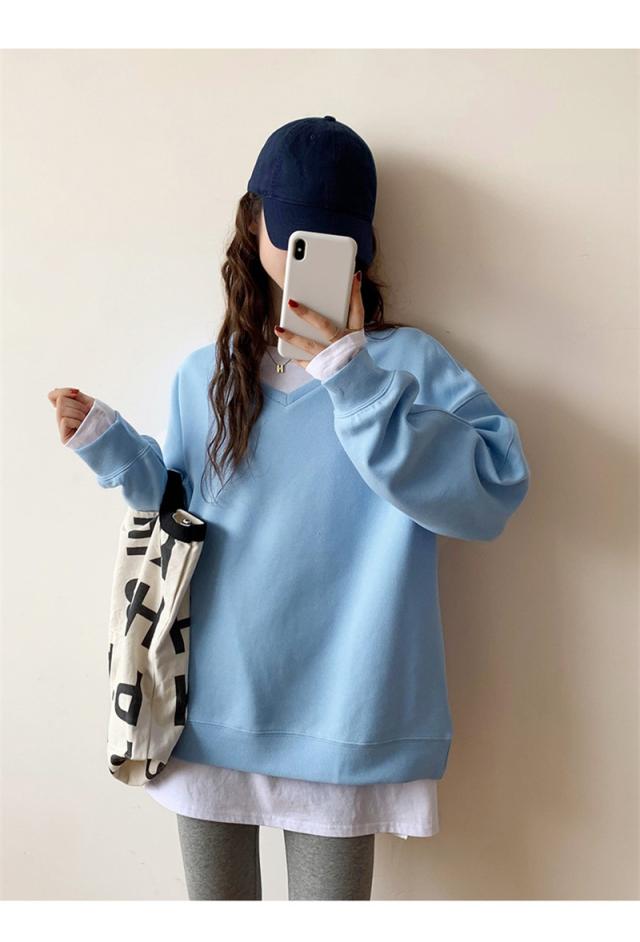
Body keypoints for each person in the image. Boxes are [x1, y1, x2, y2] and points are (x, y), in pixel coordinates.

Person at [47, 115, 531, 901]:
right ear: (253, 223)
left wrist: (352, 376)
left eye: (333, 238)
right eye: (295, 232)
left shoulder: (406, 366)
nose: (312, 250)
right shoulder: (207, 375)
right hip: (209, 715)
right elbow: (176, 516)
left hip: (347, 719)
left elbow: (491, 495)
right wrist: (109, 445)